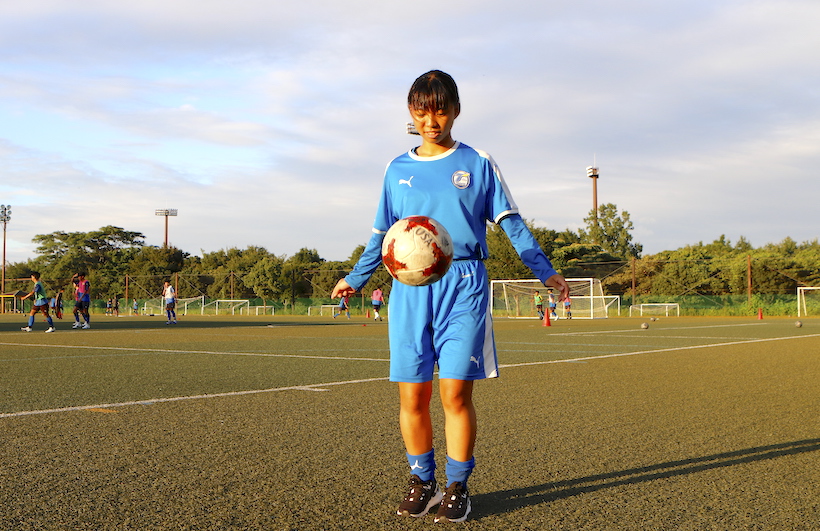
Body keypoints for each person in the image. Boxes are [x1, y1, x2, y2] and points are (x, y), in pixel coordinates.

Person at [331, 70, 568, 523]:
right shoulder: (396, 169)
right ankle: (422, 480)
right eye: (422, 110)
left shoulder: (477, 162)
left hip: (463, 284)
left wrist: (545, 272)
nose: (431, 119)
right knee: (412, 397)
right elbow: (381, 235)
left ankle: (458, 486)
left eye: (440, 109)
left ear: (456, 110)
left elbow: (511, 223)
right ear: (411, 113)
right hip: (408, 288)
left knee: (455, 394)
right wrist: (356, 278)